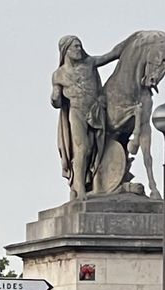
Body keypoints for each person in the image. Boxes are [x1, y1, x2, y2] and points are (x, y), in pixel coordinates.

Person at [51, 35, 125, 200]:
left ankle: (89, 181)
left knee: (92, 148)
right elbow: (56, 102)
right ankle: (78, 188)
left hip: (95, 112)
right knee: (82, 148)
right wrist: (55, 95)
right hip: (76, 112)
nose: (78, 49)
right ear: (65, 51)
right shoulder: (59, 74)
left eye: (79, 46)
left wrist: (129, 43)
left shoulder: (89, 63)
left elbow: (111, 55)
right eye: (74, 47)